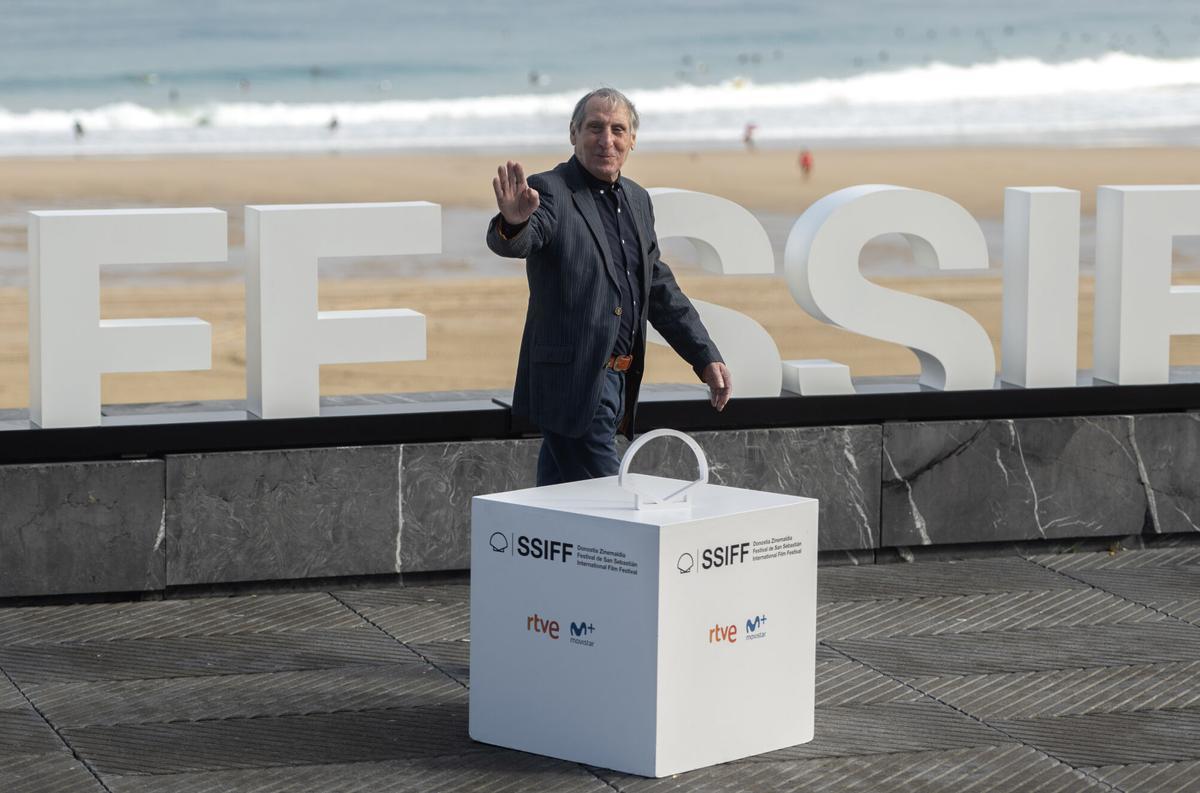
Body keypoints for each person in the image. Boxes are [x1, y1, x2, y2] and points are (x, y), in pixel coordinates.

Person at [487, 87, 732, 487]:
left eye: (618, 130)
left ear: (632, 139)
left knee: (560, 502)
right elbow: (519, 240)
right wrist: (514, 223)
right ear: (573, 133)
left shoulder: (638, 199)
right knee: (612, 501)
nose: (607, 140)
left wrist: (703, 355)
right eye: (595, 128)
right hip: (576, 382)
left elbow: (658, 289)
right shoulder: (550, 190)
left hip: (620, 380)